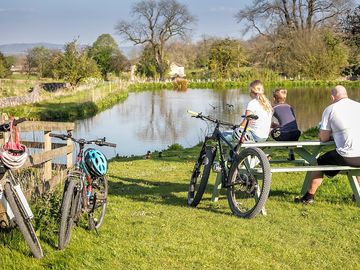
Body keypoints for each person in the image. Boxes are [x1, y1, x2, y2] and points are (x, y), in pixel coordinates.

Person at [295, 85, 360, 204]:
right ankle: (358, 195)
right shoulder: (358, 106)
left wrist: (333, 135)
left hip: (348, 156)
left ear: (332, 97)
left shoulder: (330, 109)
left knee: (319, 164)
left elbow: (323, 138)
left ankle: (308, 198)